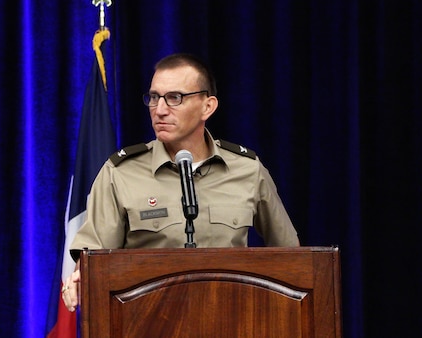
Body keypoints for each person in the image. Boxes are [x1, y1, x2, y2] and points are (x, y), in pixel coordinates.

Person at [61, 53, 299, 311]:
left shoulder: (247, 170)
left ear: (207, 106)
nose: (160, 110)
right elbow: (92, 261)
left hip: (232, 318)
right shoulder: (120, 172)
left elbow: (291, 258)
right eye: (154, 98)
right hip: (148, 322)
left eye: (175, 98)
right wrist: (80, 277)